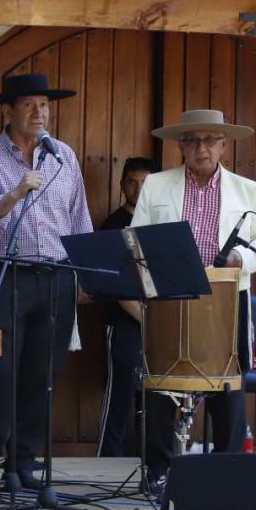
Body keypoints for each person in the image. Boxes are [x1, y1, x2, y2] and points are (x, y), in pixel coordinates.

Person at [0, 72, 93, 495]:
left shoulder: (64, 156)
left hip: (56, 276)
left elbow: (79, 219)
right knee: (3, 372)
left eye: (44, 105)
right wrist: (16, 192)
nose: (39, 113)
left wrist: (84, 272)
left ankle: (24, 462)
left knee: (44, 373)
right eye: (29, 105)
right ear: (9, 110)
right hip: (8, 274)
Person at [127, 110, 256, 488]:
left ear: (223, 145)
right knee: (161, 383)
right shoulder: (156, 185)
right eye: (193, 140)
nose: (201, 147)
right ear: (181, 146)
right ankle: (158, 471)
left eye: (209, 140)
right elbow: (137, 237)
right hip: (171, 296)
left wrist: (242, 258)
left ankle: (227, 473)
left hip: (227, 297)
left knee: (228, 386)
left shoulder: (249, 191)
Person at [98, 157, 154, 457]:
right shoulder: (113, 225)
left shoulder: (159, 223)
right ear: (122, 185)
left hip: (158, 323)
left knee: (153, 397)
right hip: (123, 323)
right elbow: (115, 284)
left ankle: (151, 462)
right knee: (119, 394)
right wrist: (147, 319)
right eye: (132, 181)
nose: (138, 188)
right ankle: (107, 462)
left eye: (145, 182)